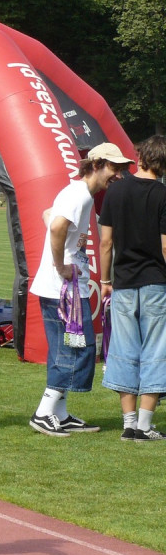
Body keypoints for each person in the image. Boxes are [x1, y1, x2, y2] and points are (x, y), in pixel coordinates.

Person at [28, 142, 132, 436]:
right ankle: (44, 412)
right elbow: (58, 225)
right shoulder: (80, 195)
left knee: (77, 346)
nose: (119, 175)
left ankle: (59, 413)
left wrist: (70, 248)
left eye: (121, 170)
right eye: (114, 168)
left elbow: (49, 215)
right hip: (60, 288)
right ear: (96, 163)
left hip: (66, 287)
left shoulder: (79, 193)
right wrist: (60, 263)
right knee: (73, 348)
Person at [99, 137, 164, 441]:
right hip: (155, 282)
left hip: (123, 282)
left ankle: (128, 422)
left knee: (124, 350)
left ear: (140, 157)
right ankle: (145, 424)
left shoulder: (116, 190)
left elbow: (106, 242)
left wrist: (105, 280)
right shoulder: (163, 194)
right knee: (156, 351)